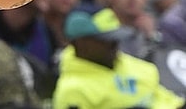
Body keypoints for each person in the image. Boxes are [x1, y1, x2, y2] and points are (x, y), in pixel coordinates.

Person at [52, 11, 186, 109]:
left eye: (116, 40)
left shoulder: (136, 66)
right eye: (106, 41)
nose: (114, 46)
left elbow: (170, 101)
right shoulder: (72, 89)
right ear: (82, 44)